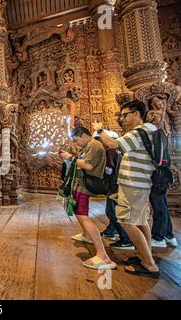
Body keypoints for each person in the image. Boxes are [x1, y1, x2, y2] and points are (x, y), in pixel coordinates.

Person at [95, 100, 160, 278]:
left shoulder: (139, 132)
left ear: (137, 114)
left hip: (134, 183)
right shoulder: (150, 130)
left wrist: (100, 130)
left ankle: (149, 264)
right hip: (140, 183)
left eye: (125, 115)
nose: (122, 119)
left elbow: (112, 144)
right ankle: (144, 256)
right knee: (140, 220)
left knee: (126, 221)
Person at [59, 127, 116, 270]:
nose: (75, 143)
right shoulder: (89, 146)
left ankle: (103, 255)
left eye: (76, 140)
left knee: (82, 215)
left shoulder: (94, 145)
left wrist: (70, 158)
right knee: (80, 213)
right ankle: (86, 234)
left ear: (84, 135)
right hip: (81, 184)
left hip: (85, 185)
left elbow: (88, 165)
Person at [94, 130, 134, 250]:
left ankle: (126, 239)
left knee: (111, 211)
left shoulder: (110, 150)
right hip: (116, 184)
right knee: (114, 210)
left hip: (114, 185)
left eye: (99, 139)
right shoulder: (114, 150)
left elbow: (109, 169)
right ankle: (111, 230)